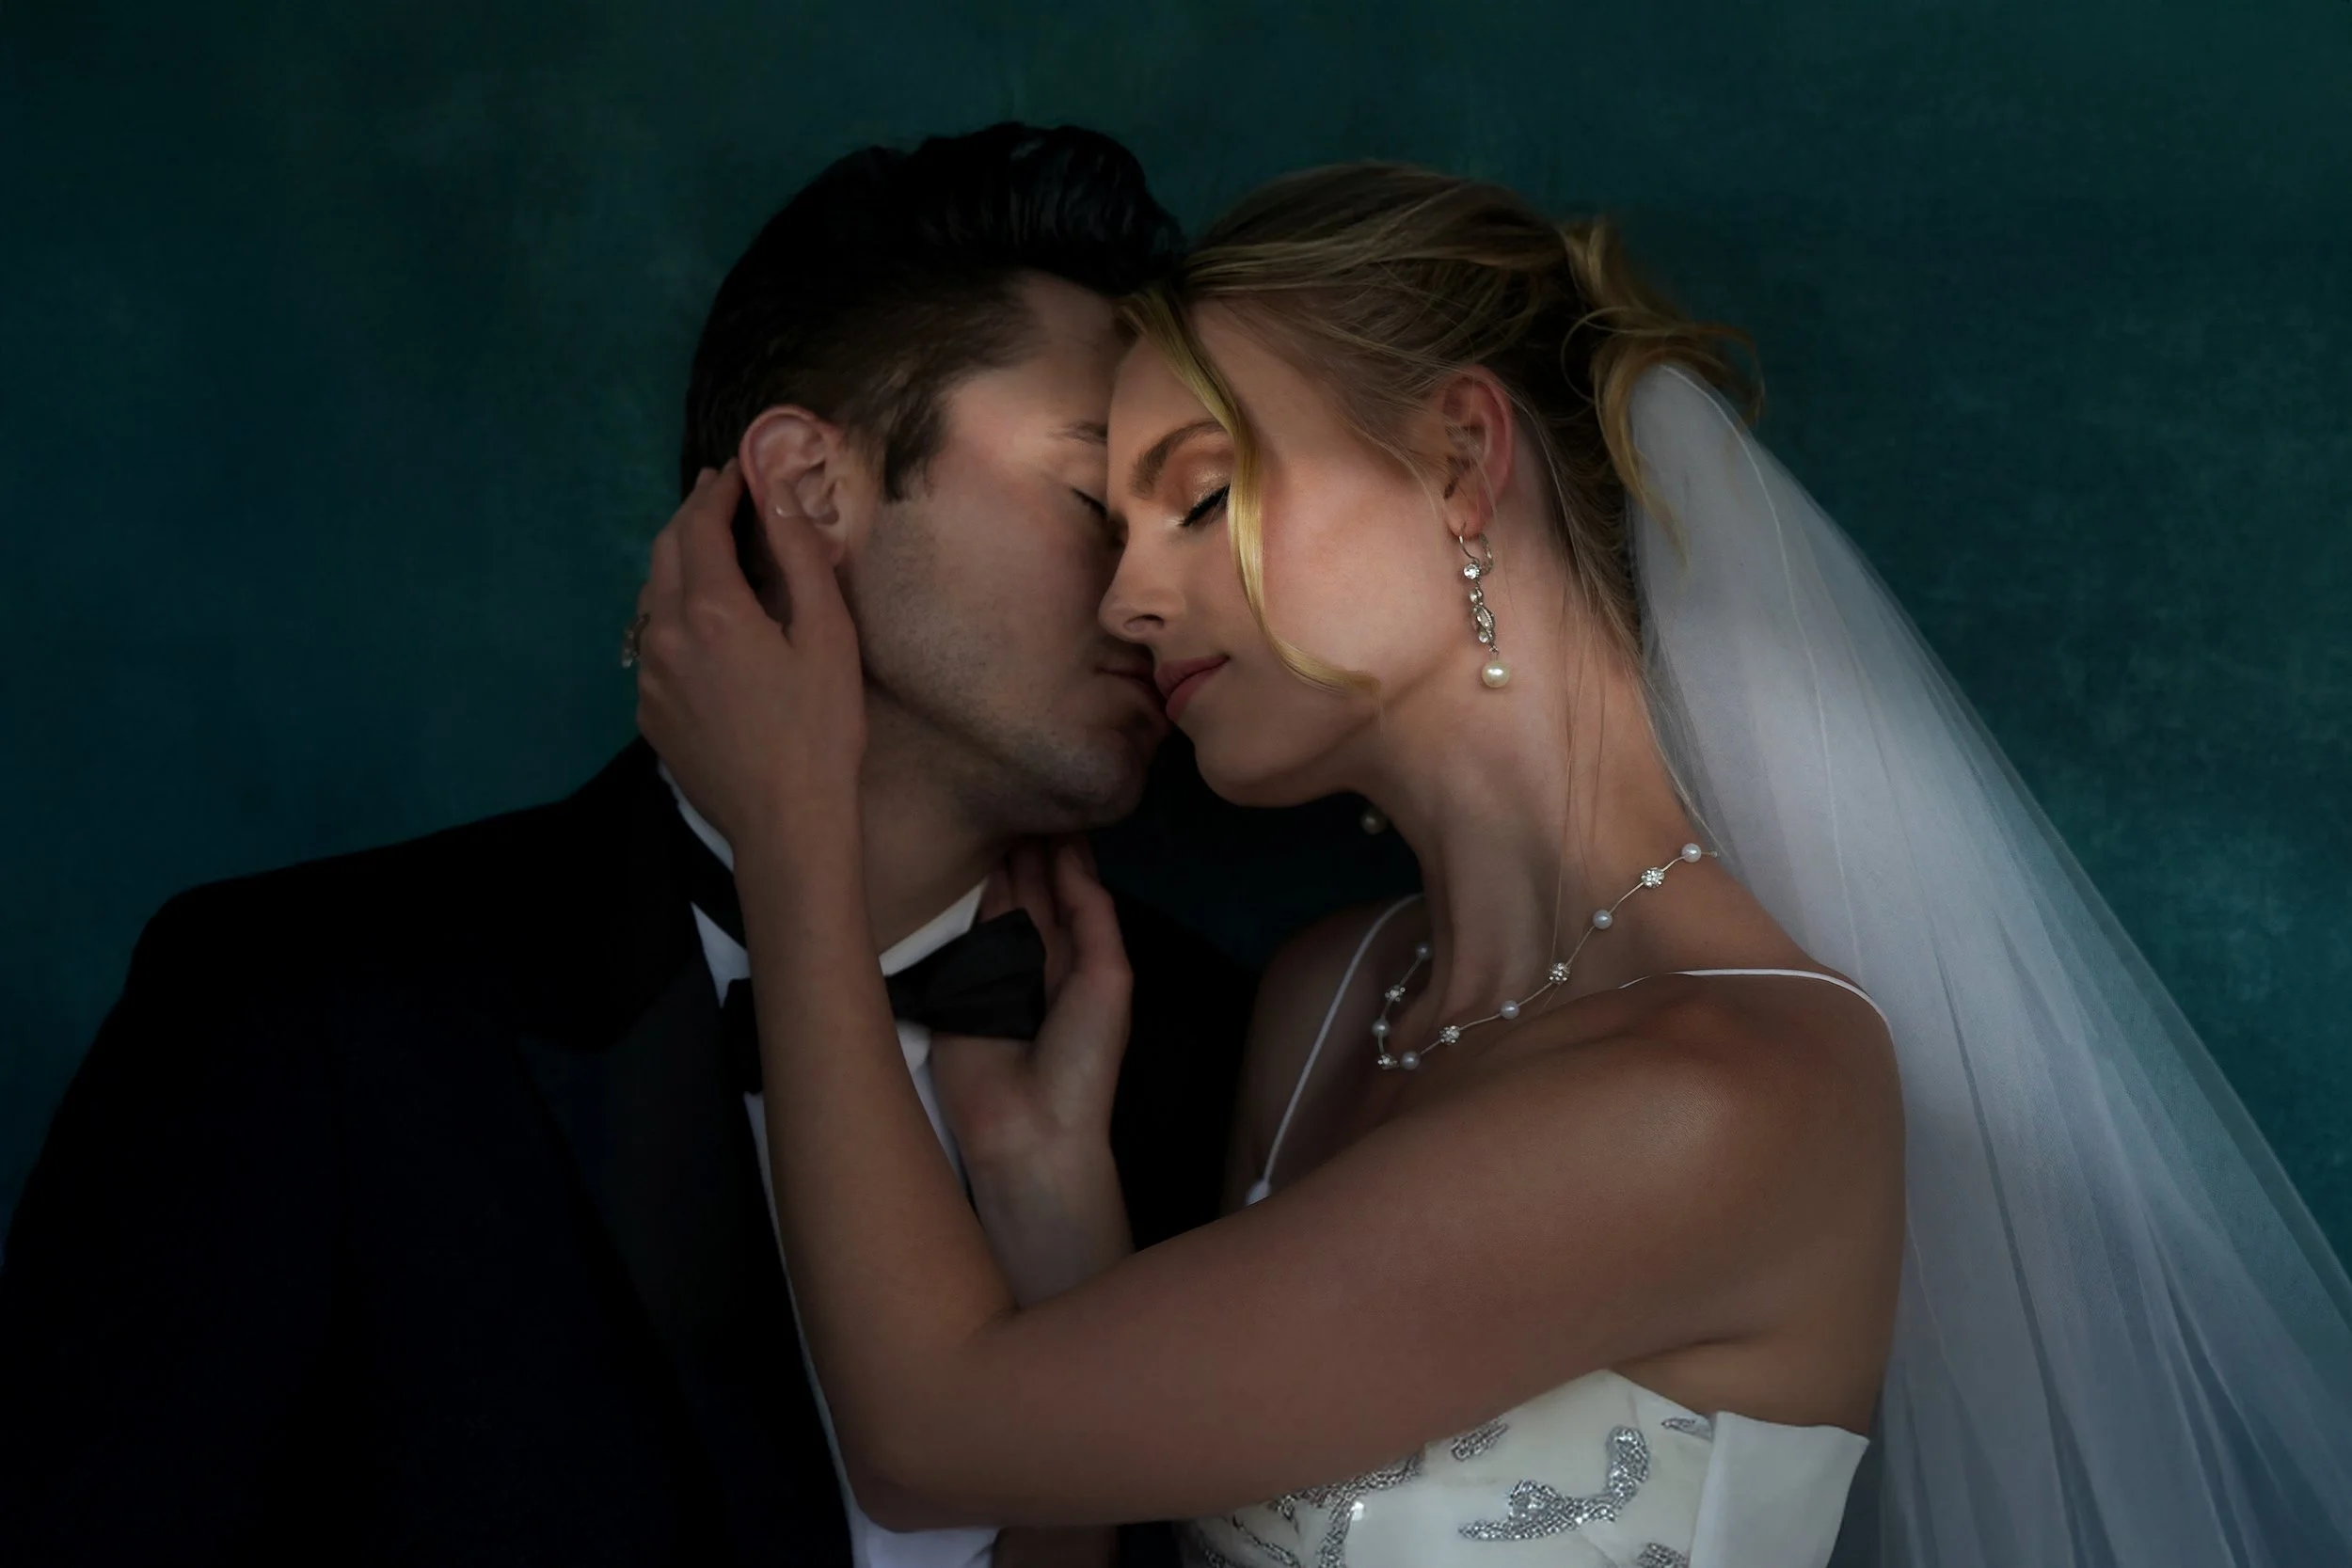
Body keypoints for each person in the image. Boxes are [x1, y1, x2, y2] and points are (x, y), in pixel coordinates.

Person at [634, 163, 2352, 1568]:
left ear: (1463, 460)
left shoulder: (1730, 1088)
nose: (1124, 596)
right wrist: (1066, 1228)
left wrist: (796, 827)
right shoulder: (1326, 1001)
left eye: (1198, 491)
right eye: (1110, 516)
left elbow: (933, 1433)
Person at [0, 124, 1252, 1568]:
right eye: (1099, 499)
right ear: (803, 487)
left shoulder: (1226, 1061)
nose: (1175, 591)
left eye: (1209, 515)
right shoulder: (306, 1023)